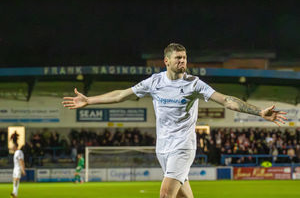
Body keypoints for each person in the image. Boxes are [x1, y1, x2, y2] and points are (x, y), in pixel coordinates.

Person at [62, 43, 287, 198]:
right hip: (163, 148)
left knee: (165, 193)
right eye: (178, 58)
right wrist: (89, 100)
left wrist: (259, 112)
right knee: (183, 195)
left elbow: (226, 100)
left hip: (183, 147)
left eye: (184, 57)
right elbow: (121, 94)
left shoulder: (194, 83)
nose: (183, 61)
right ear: (166, 61)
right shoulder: (154, 82)